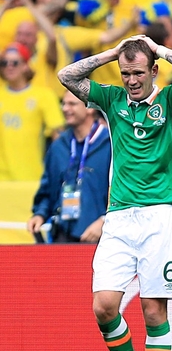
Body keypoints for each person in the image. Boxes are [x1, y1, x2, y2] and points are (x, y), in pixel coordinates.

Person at [57, 35, 172, 351]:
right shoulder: (112, 100)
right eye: (125, 74)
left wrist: (158, 48)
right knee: (104, 308)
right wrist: (112, 54)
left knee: (154, 312)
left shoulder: (171, 101)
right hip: (119, 217)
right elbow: (66, 75)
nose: (131, 81)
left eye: (138, 73)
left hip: (160, 216)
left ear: (154, 70)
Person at [28, 91, 111, 243]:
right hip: (63, 235)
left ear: (90, 107)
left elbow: (126, 193)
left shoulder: (110, 144)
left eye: (72, 104)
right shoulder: (58, 146)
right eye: (64, 104)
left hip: (102, 238)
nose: (65, 109)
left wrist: (105, 221)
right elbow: (48, 190)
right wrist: (39, 214)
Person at [0, 41, 64, 181]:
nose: (9, 67)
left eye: (15, 62)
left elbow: (58, 136)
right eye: (4, 63)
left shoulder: (44, 96)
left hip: (31, 178)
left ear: (25, 65)